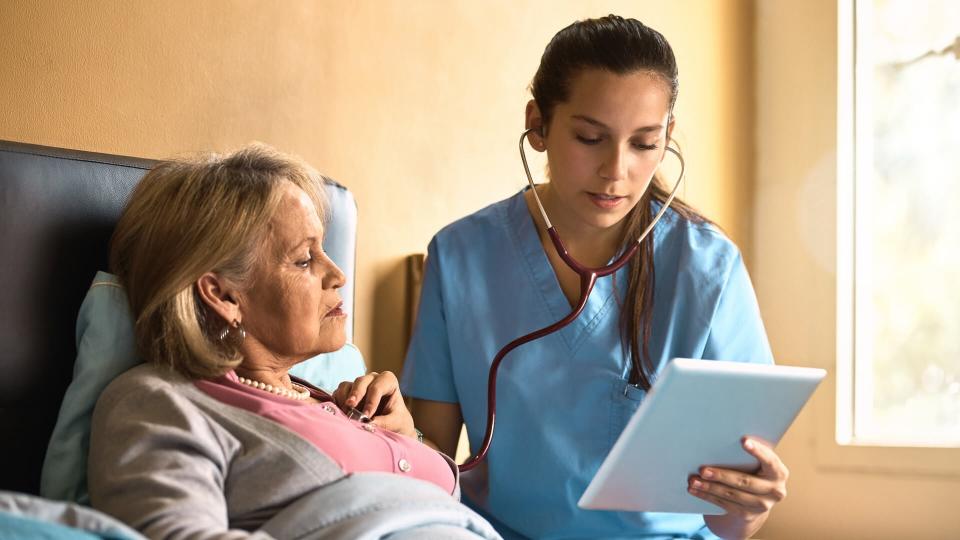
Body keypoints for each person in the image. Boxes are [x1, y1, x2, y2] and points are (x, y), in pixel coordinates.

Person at [401, 15, 787, 540]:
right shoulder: (461, 256)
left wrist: (748, 504)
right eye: (590, 137)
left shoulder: (708, 269)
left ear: (668, 136)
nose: (616, 170)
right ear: (538, 125)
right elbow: (428, 461)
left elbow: (735, 522)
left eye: (644, 144)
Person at [88, 144, 500, 539]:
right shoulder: (160, 403)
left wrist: (409, 438)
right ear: (225, 296)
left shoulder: (334, 403)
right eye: (304, 259)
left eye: (323, 250)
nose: (338, 274)